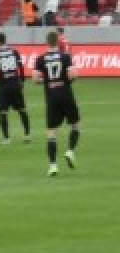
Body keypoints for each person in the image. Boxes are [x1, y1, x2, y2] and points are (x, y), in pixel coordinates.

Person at [33, 31, 81, 177]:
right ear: (58, 42)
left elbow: (35, 79)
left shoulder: (40, 59)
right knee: (75, 125)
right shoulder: (65, 57)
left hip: (51, 96)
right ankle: (70, 151)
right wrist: (65, 81)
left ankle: (53, 166)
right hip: (66, 94)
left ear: (47, 42)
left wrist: (47, 81)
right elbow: (73, 75)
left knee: (51, 132)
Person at [0, 32, 31, 145]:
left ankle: (6, 138)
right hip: (15, 84)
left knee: (3, 112)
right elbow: (20, 67)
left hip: (3, 86)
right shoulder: (14, 52)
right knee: (22, 110)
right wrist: (22, 81)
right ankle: (27, 135)